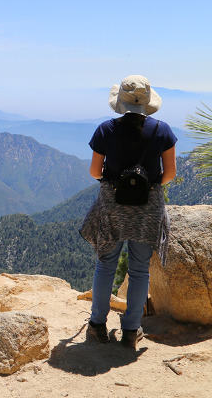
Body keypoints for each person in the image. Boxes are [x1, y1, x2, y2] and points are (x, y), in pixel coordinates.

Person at [79, 75, 177, 349]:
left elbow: (94, 172)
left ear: (120, 102)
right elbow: (169, 174)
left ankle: (97, 326)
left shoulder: (105, 130)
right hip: (148, 207)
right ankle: (132, 331)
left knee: (106, 264)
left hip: (112, 205)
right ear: (147, 102)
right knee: (139, 269)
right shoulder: (163, 131)